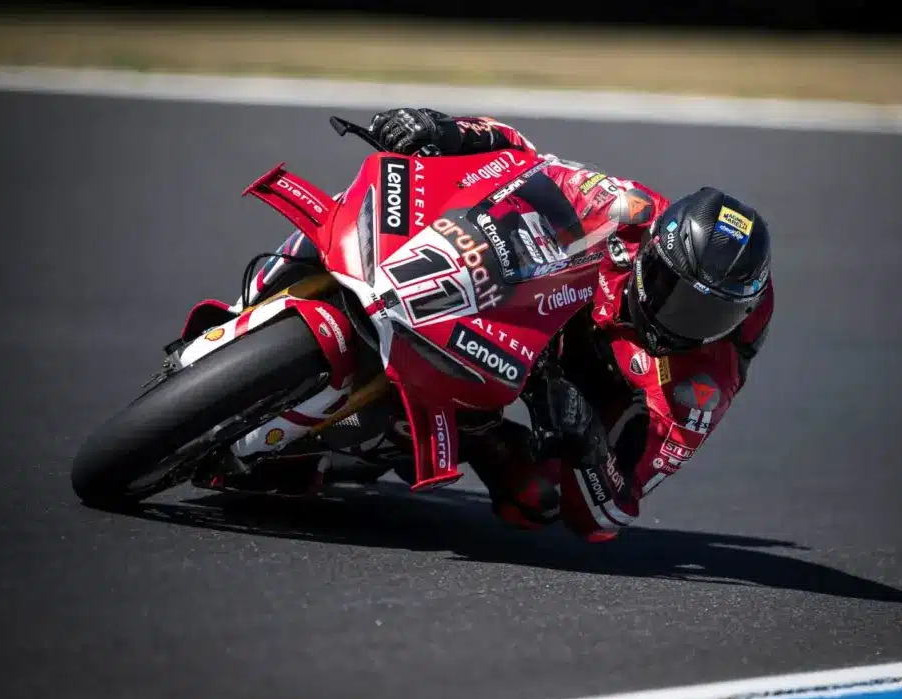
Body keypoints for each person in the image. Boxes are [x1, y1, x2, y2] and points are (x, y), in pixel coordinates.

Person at [237, 108, 775, 543]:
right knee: (377, 200)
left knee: (536, 499)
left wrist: (587, 441)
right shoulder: (627, 209)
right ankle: (267, 293)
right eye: (669, 288)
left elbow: (610, 514)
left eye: (707, 316)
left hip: (577, 387)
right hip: (524, 304)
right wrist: (444, 131)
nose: (678, 318)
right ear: (652, 250)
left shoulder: (699, 387)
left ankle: (448, 435)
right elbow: (523, 159)